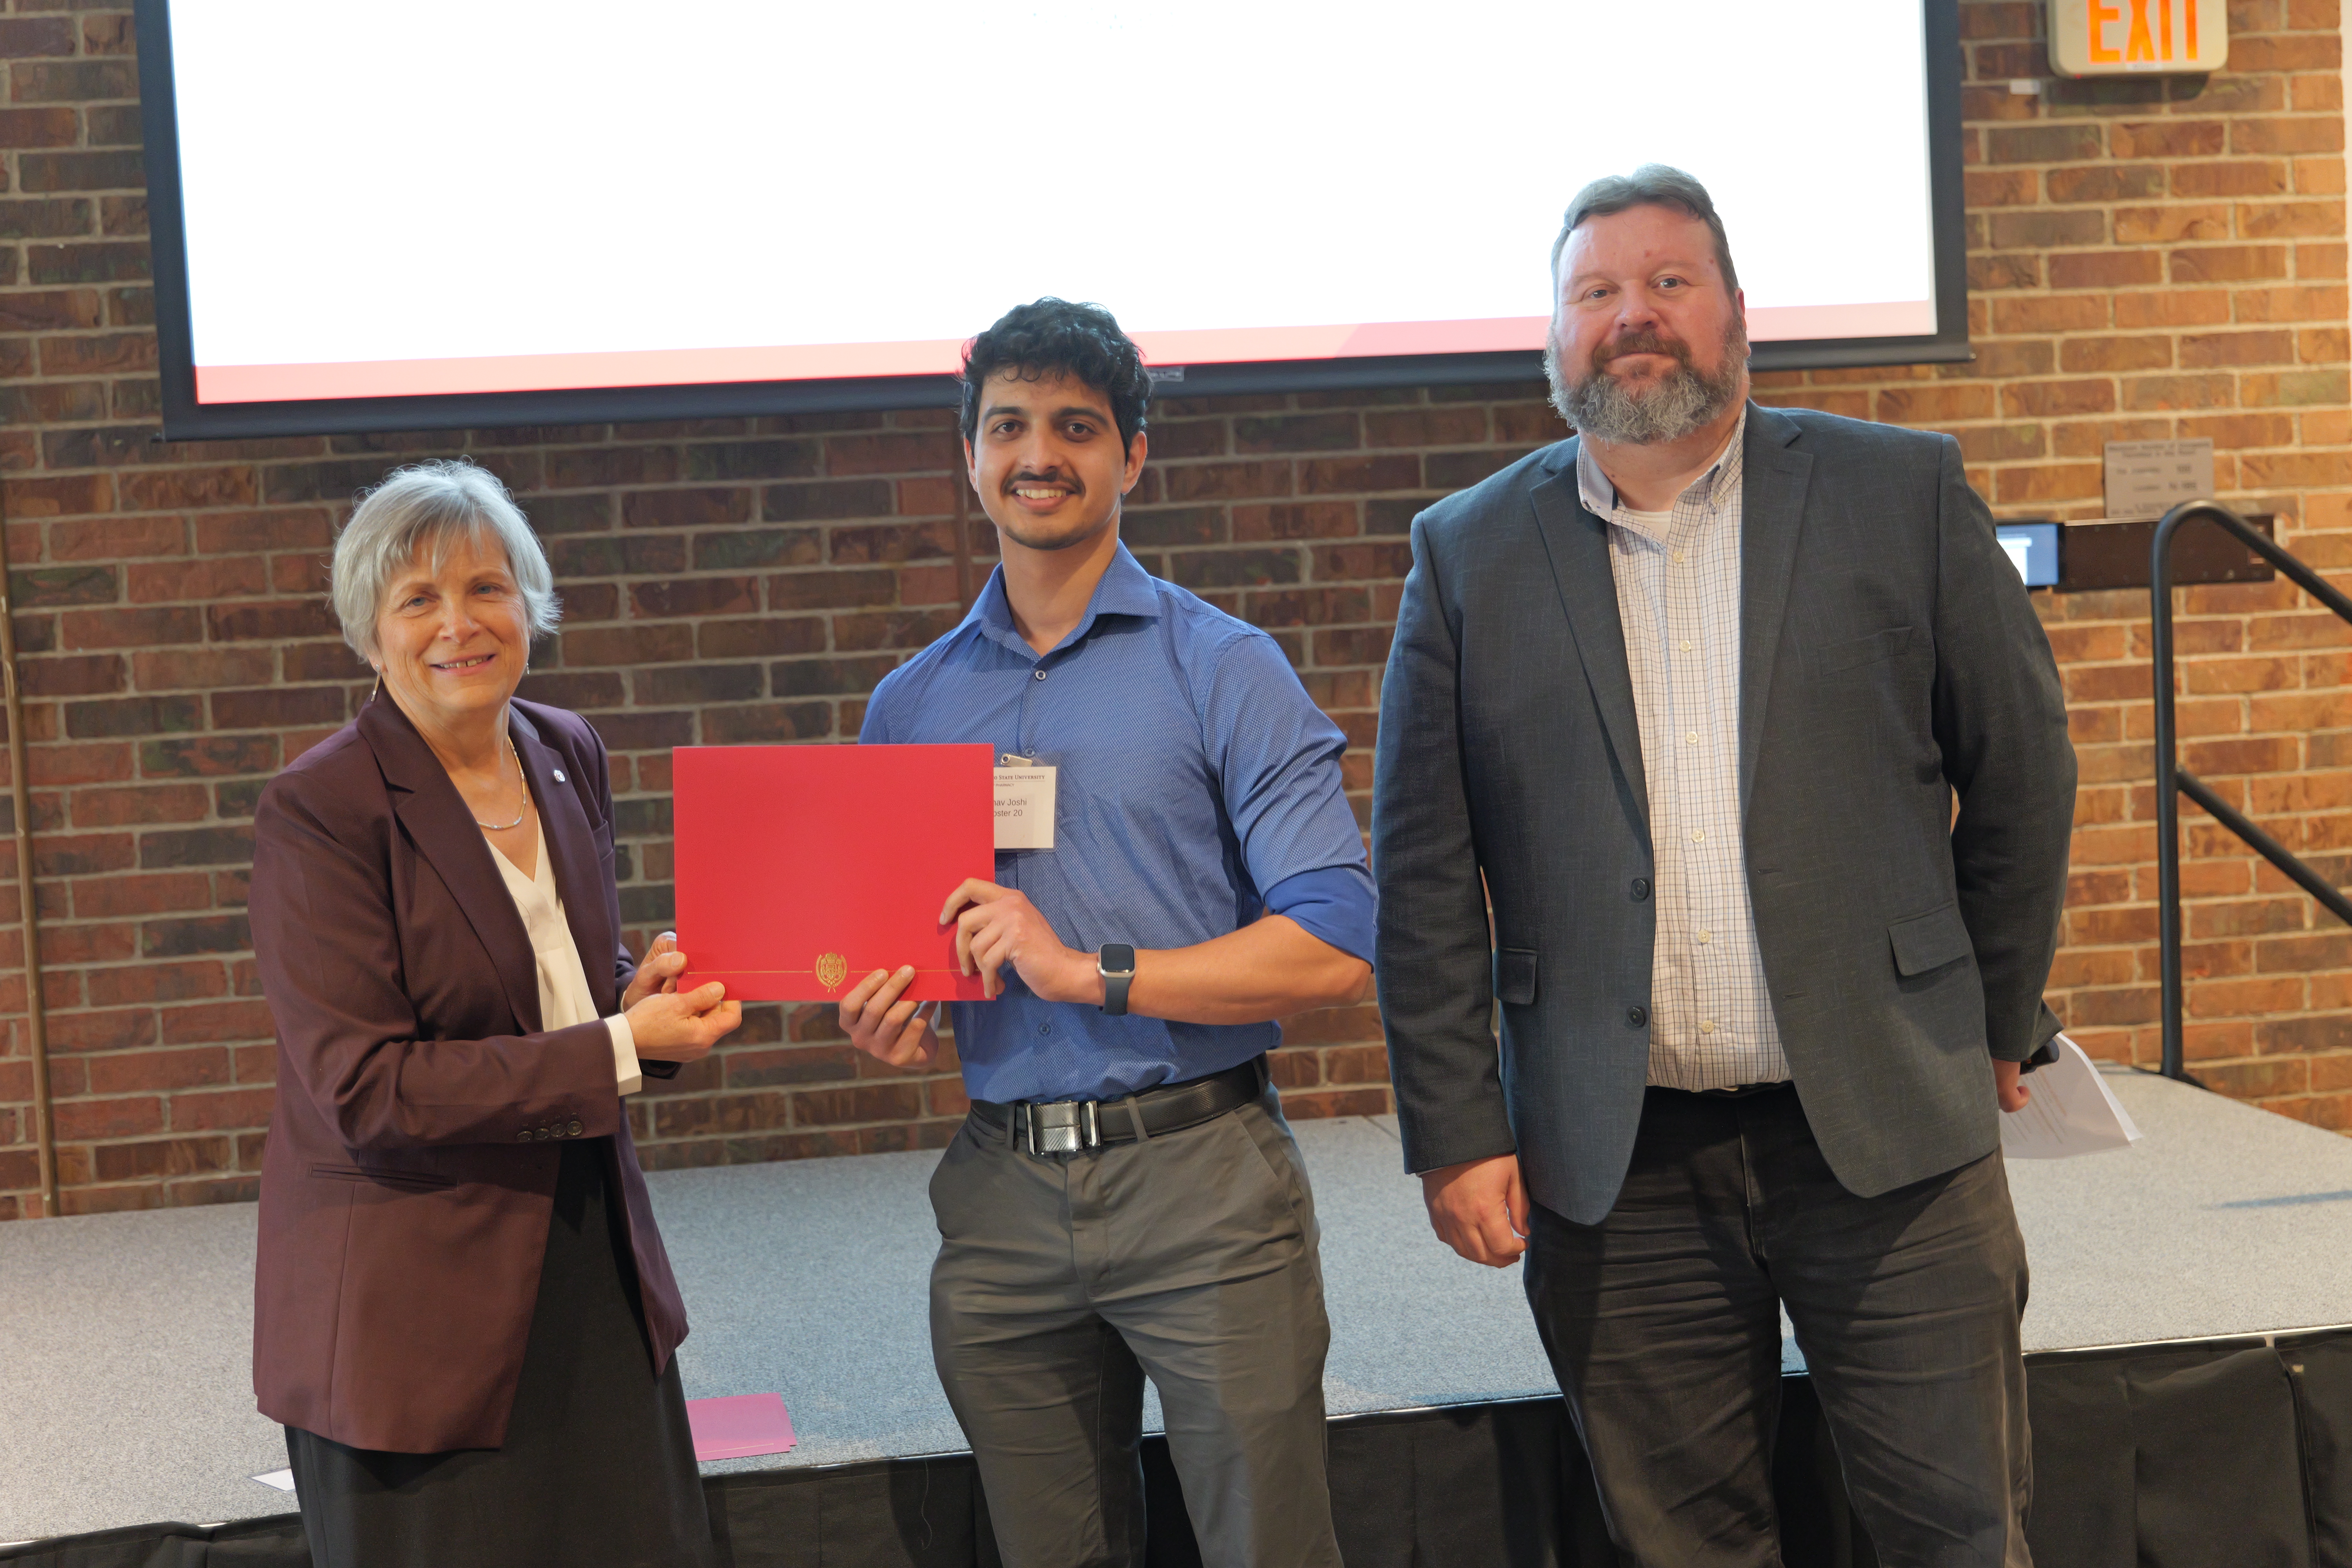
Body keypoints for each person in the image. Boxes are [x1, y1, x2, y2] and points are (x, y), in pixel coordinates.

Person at [1373, 165, 2076, 1568]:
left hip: (1886, 1132)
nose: (1632, 316)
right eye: (1595, 293)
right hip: (1615, 1162)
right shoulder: (1466, 555)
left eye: (1667, 283)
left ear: (1738, 313)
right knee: (1682, 1546)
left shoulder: (1901, 491)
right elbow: (1426, 870)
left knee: (1958, 1529)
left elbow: (2024, 772)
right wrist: (1457, 1126)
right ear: (1555, 338)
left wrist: (1992, 1017)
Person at [843, 298, 1373, 1568]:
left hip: (1200, 1178)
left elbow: (1335, 945)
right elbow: (897, 959)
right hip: (1000, 1200)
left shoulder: (1224, 668)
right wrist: (888, 1015)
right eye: (1010, 424)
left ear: (1133, 457)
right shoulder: (909, 706)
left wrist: (1087, 972)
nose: (1041, 454)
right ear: (969, 453)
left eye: (1078, 427)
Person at [247, 459, 742, 1566]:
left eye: (487, 588)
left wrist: (634, 997)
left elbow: (557, 978)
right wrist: (618, 1046)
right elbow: (369, 1090)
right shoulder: (320, 811)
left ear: (530, 604)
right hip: (413, 1307)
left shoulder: (564, 751)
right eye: (417, 599)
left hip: (589, 1261)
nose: (458, 624)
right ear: (369, 634)